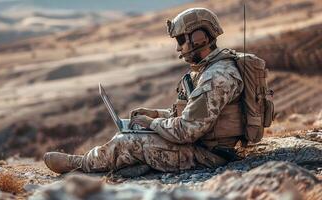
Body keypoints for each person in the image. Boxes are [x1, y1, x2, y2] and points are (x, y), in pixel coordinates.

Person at [43, 8, 246, 174]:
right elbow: (192, 115)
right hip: (201, 144)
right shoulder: (208, 70)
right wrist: (155, 114)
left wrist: (152, 123)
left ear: (199, 38)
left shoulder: (216, 77)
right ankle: (129, 164)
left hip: (208, 155)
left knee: (127, 141)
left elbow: (187, 130)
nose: (179, 49)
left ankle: (81, 165)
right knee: (137, 128)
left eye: (181, 41)